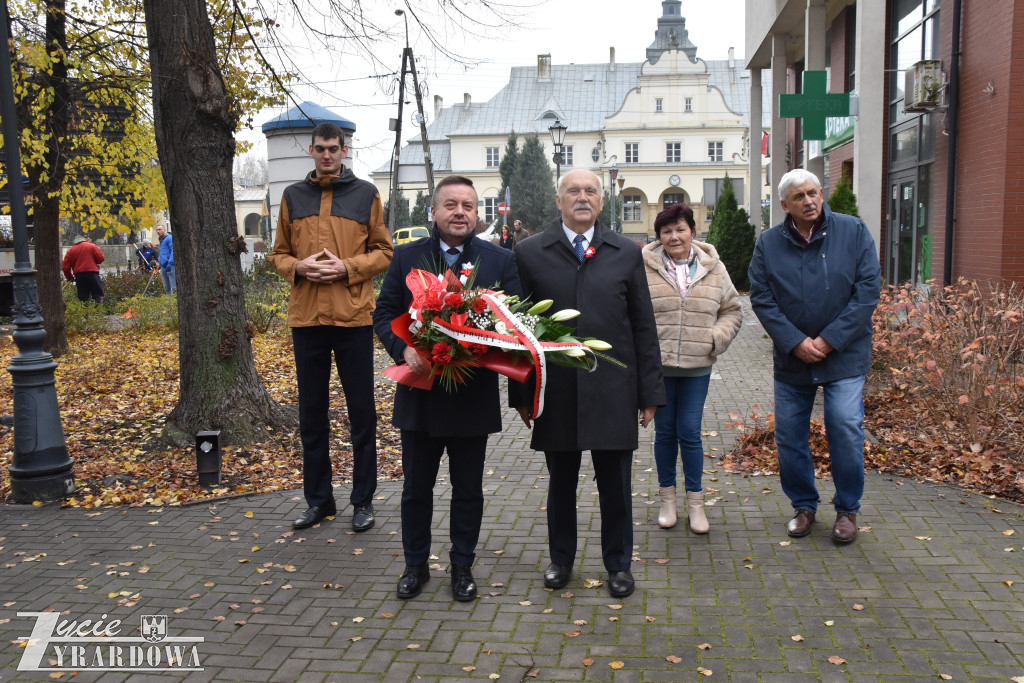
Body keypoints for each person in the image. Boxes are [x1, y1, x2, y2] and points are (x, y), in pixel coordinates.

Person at [510, 169, 665, 599]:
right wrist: (521, 394)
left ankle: (618, 564)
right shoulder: (529, 252)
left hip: (613, 389)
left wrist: (650, 393)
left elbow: (643, 326)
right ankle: (561, 560)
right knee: (561, 481)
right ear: (558, 201)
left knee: (615, 483)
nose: (582, 197)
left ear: (601, 200)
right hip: (555, 389)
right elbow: (517, 331)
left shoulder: (626, 252)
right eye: (572, 191)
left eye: (590, 191)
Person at [374, 175, 522, 601]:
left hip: (471, 396)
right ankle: (415, 566)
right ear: (433, 211)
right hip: (420, 393)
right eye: (451, 205)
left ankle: (462, 566)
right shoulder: (407, 257)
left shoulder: (498, 260)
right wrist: (402, 350)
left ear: (478, 214)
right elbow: (383, 312)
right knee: (416, 489)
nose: (460, 213)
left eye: (469, 206)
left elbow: (515, 324)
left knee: (468, 490)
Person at [268, 122, 394, 533]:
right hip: (307, 321)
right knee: (312, 417)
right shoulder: (292, 196)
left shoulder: (365, 195)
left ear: (344, 151)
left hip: (354, 319)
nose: (326, 155)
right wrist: (298, 266)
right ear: (311, 150)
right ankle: (319, 502)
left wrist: (347, 267)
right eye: (320, 149)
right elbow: (278, 255)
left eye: (333, 149)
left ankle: (363, 502)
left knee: (362, 415)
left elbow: (384, 251)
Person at [748, 168, 881, 544]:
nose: (808, 201)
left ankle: (847, 510)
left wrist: (828, 341)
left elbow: (868, 290)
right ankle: (804, 506)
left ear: (821, 193)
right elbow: (762, 297)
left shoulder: (852, 231)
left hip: (844, 355)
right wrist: (794, 342)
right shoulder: (768, 243)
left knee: (843, 426)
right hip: (793, 358)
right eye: (799, 197)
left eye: (813, 193)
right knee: (790, 436)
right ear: (784, 204)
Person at [642, 204, 742, 534]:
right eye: (667, 231)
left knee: (690, 432)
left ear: (692, 232)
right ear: (658, 236)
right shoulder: (644, 267)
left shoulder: (713, 268)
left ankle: (696, 504)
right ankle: (667, 501)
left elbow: (732, 311)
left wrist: (715, 339)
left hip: (697, 369)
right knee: (665, 433)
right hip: (660, 369)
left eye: (680, 229)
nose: (674, 236)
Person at [61, 235, 105, 303]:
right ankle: (98, 311)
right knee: (98, 294)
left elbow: (65, 267)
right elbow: (101, 259)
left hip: (79, 276)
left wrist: (70, 277)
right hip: (92, 274)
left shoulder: (70, 251)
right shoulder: (92, 246)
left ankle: (85, 312)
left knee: (83, 297)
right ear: (83, 240)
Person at [155, 225, 175, 294]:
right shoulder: (161, 240)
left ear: (164, 230)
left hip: (170, 265)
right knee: (166, 287)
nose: (158, 231)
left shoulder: (169, 238)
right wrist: (159, 263)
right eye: (157, 230)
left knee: (173, 287)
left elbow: (173, 250)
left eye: (160, 229)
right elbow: (162, 253)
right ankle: (168, 302)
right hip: (163, 266)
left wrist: (170, 262)